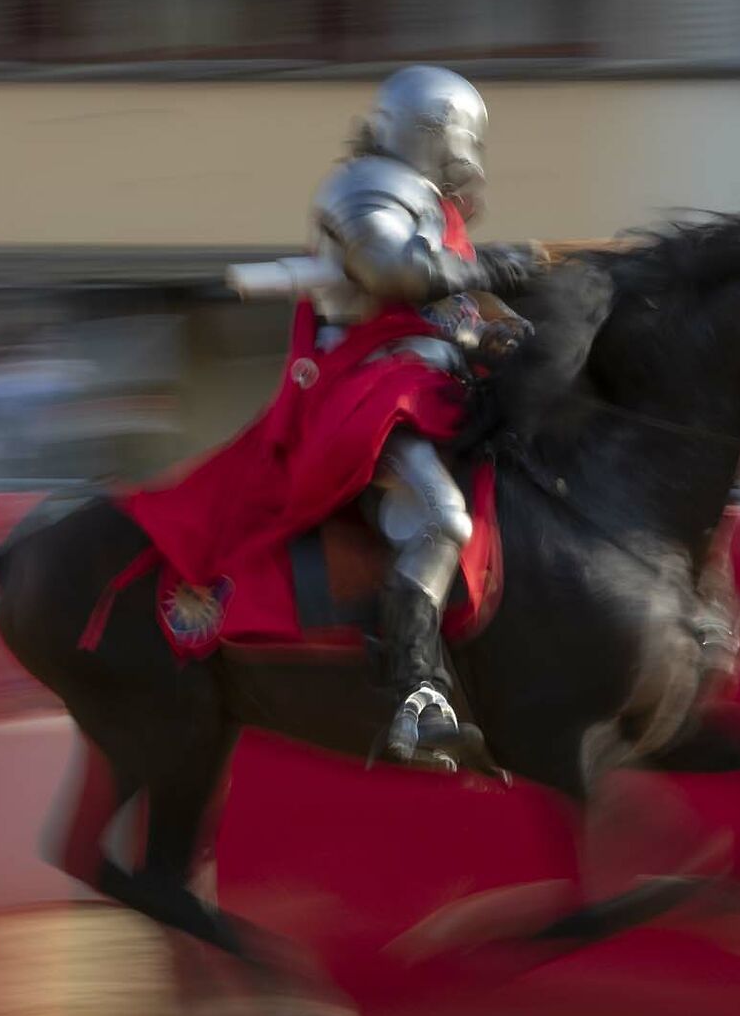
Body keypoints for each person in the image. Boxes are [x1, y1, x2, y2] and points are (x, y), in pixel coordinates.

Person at [125, 66, 542, 769]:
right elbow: (392, 271)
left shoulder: (441, 215)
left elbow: (452, 313)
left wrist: (499, 329)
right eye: (461, 136)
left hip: (436, 388)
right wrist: (487, 268)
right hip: (369, 393)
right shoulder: (365, 187)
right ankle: (417, 696)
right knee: (442, 520)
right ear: (437, 133)